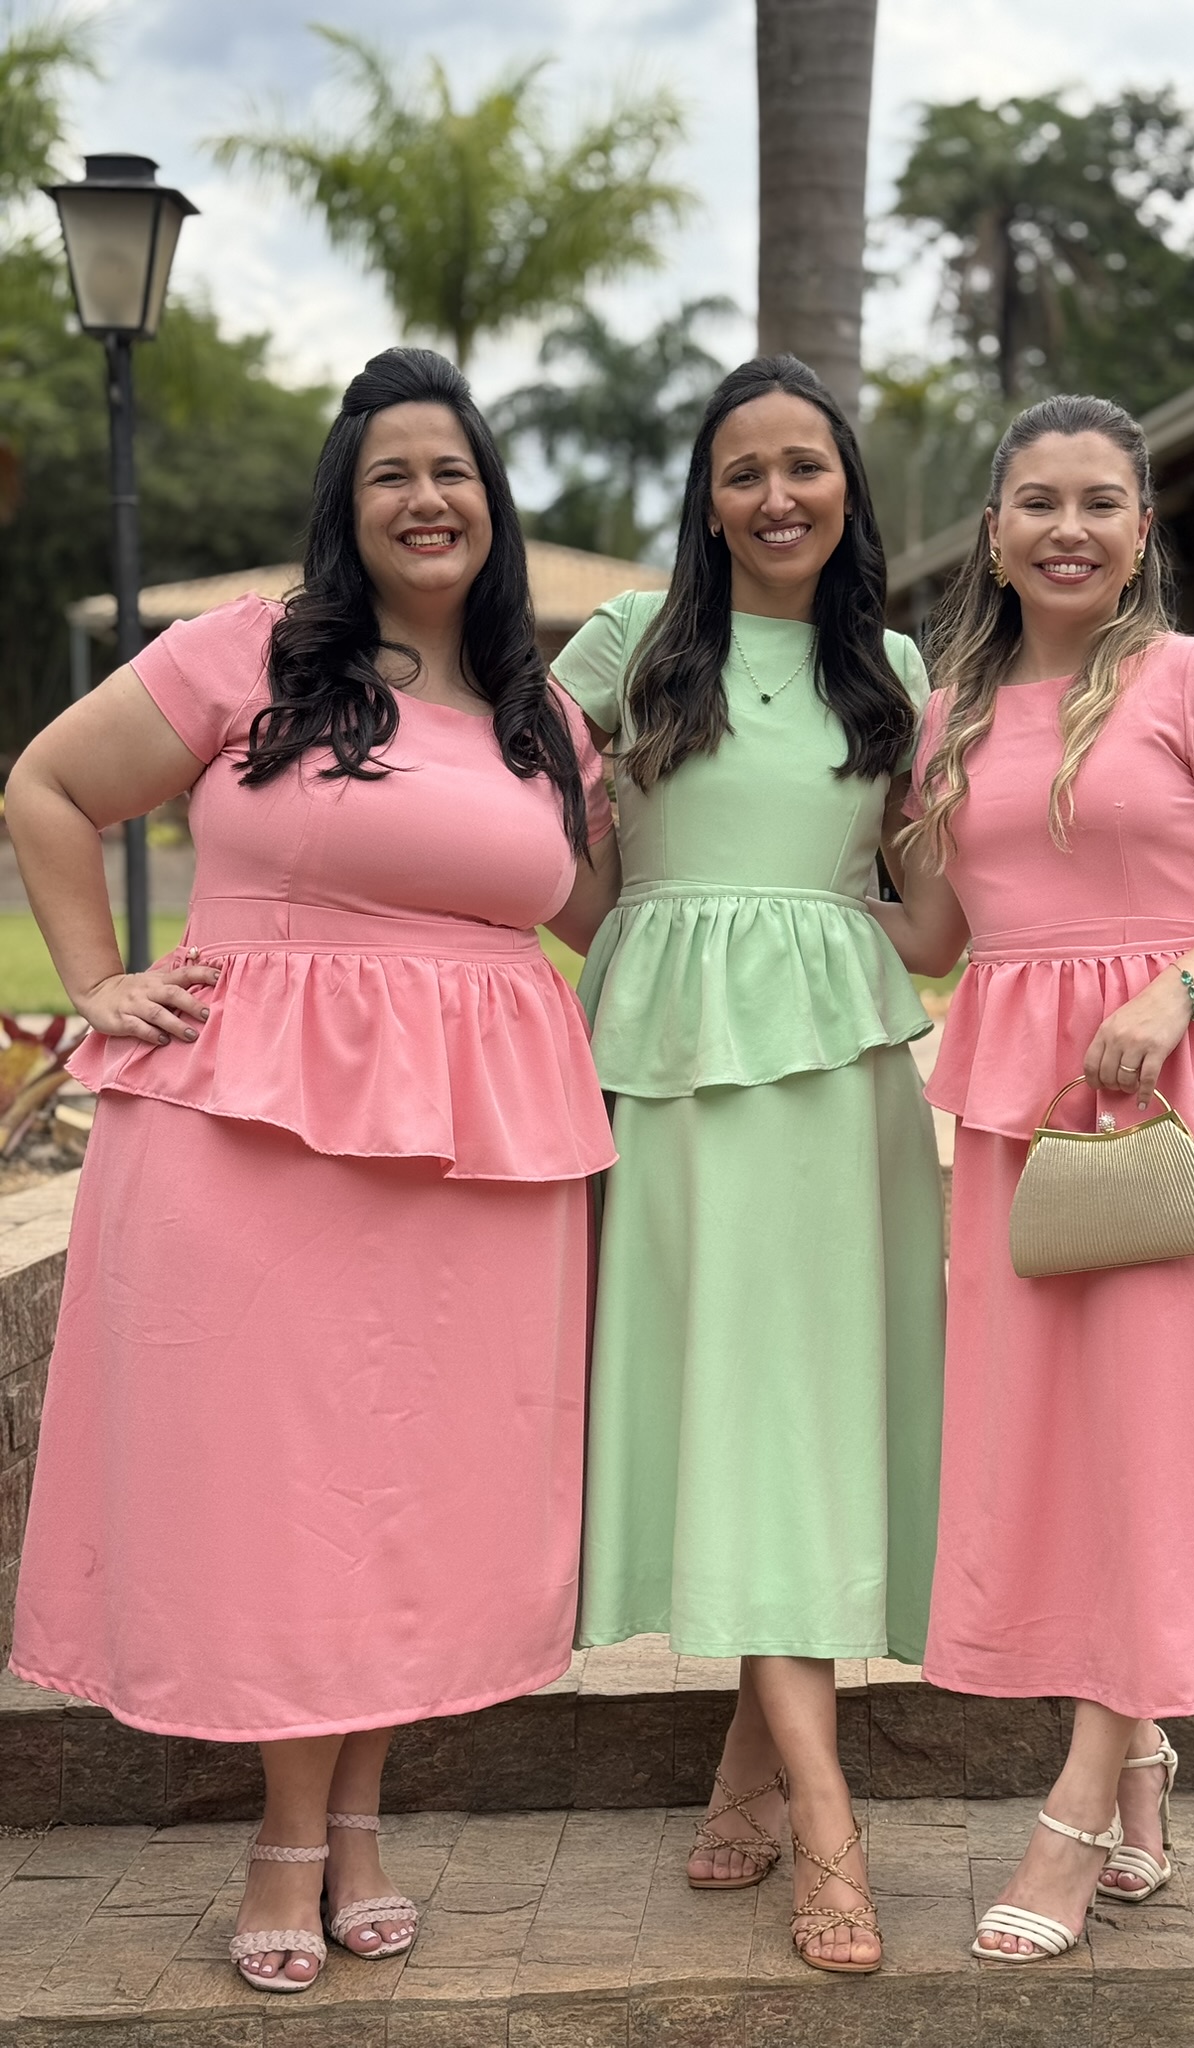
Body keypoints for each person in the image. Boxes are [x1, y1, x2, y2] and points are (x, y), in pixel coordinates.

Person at [6, 347, 619, 1994]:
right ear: (347, 506)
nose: (428, 500)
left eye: (454, 471)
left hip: (477, 1156)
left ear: (493, 503)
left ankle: (357, 1823)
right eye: (392, 474)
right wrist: (95, 982)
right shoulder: (252, 654)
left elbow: (611, 917)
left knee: (411, 1493)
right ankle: (290, 1838)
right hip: (254, 1133)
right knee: (289, 1492)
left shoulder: (541, 718)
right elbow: (48, 787)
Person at [873, 394, 1194, 1964]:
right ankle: (1143, 1761)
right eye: (1038, 501)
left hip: (1185, 1102)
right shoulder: (947, 718)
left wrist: (1176, 986)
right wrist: (724, 899)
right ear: (993, 533)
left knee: (1160, 1450)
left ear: (1143, 528)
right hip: (1025, 1120)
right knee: (1065, 1456)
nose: (1069, 528)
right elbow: (934, 939)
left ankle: (1079, 1810)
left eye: (1100, 501)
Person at [551, 355, 946, 1975]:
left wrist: (827, 923)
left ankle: (786, 1792)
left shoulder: (897, 668)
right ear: (706, 501)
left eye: (806, 466)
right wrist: (651, 930)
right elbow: (509, 819)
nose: (777, 496)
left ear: (847, 487)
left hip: (837, 1089)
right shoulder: (628, 642)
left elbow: (935, 921)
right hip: (667, 1078)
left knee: (800, 1420)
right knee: (735, 1410)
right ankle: (803, 1794)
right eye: (743, 472)